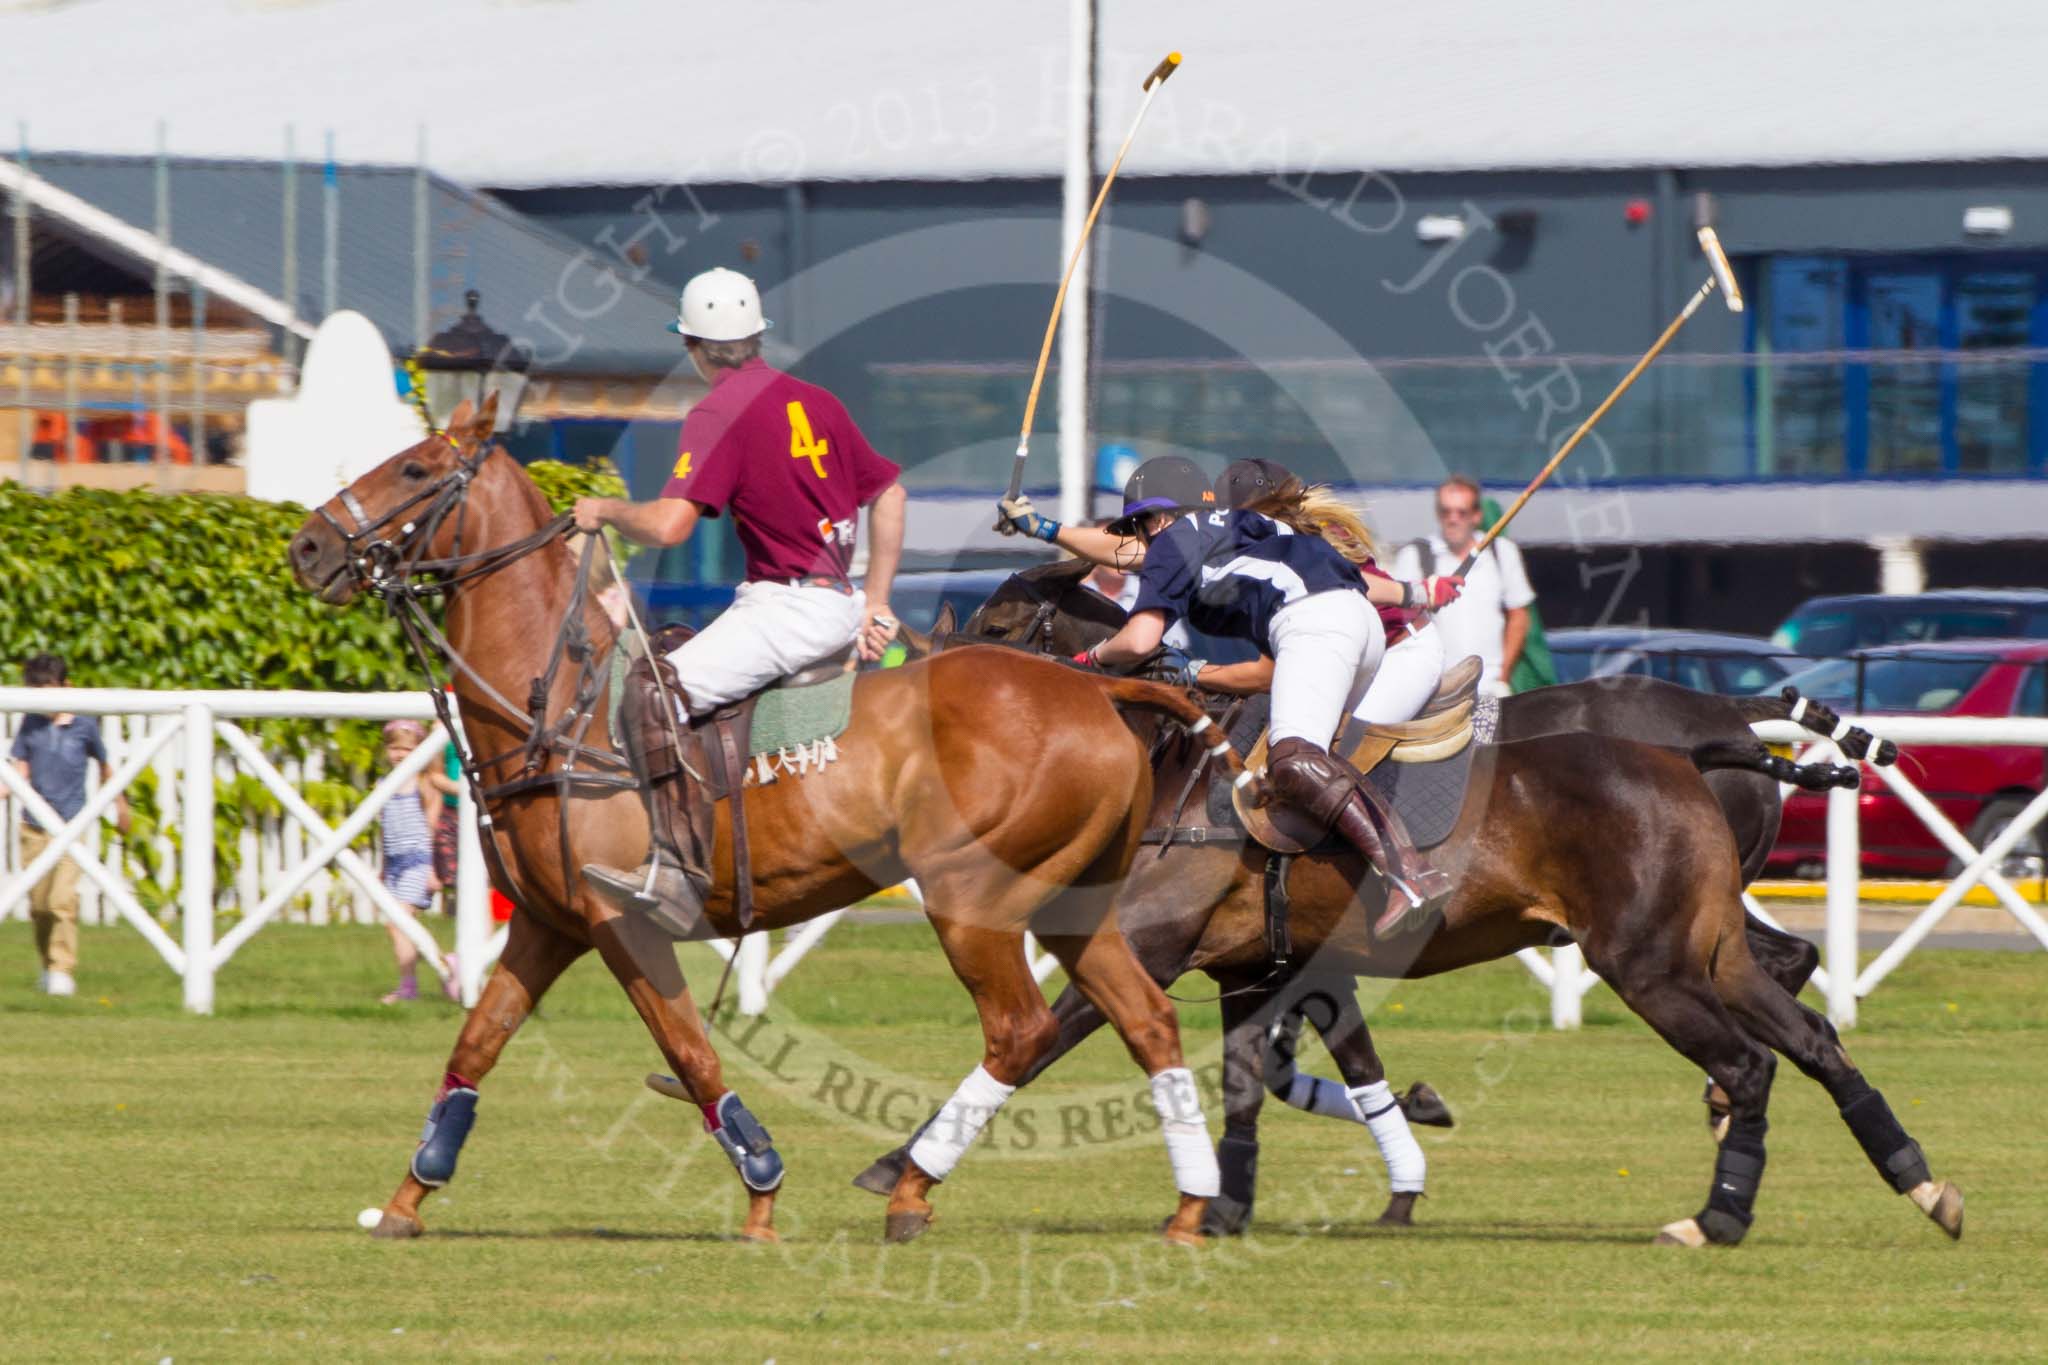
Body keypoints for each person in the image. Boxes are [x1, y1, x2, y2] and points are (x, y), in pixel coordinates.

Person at [573, 267, 907, 924]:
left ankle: (676, 867)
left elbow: (671, 524)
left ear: (693, 346)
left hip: (785, 608)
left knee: (649, 691)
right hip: (832, 599)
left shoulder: (717, 409)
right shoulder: (819, 400)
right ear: (755, 337)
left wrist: (606, 509)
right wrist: (876, 599)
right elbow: (889, 492)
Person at [1058, 458, 1463, 934]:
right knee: (1301, 761)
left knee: (1294, 757)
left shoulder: (1176, 537)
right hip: (1360, 628)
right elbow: (1360, 583)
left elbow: (1140, 640)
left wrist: (1088, 660)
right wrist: (1416, 589)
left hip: (1324, 628)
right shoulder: (1259, 527)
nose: (1143, 544)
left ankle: (1410, 875)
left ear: (1161, 519)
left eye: (1143, 528)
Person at [9, 653, 127, 996]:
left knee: (62, 900)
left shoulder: (84, 726)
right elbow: (20, 770)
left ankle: (62, 969)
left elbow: (105, 767)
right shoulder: (31, 724)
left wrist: (119, 805)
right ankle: (47, 964)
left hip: (72, 826)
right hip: (33, 827)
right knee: (40, 906)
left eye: (47, 691)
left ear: (66, 687)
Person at [1391, 475, 1535, 699]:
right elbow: (1397, 620)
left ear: (1476, 516)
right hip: (1434, 689)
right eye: (1446, 512)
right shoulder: (1414, 556)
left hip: (1491, 687)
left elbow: (1519, 616)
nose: (1453, 519)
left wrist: (1503, 678)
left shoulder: (1502, 552)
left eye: (1461, 512)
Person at [376, 719, 458, 1005]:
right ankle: (442, 965)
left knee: (397, 924)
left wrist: (433, 869)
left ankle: (413, 984)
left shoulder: (424, 785)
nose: (400, 754)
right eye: (394, 748)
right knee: (402, 926)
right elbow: (385, 830)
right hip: (396, 863)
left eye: (407, 749)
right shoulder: (383, 784)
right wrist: (384, 867)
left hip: (418, 862)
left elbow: (432, 829)